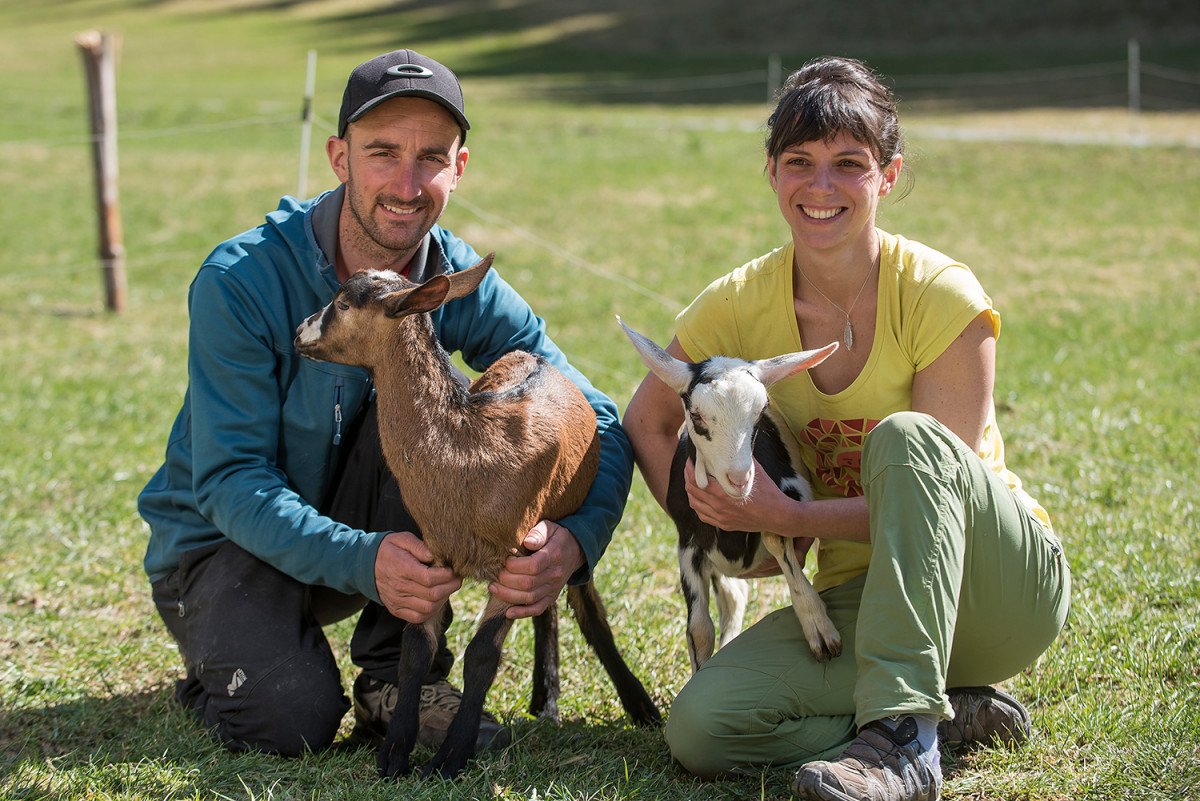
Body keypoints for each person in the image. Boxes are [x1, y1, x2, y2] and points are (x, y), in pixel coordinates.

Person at [138, 49, 633, 758]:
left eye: (430, 157)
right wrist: (365, 560)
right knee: (291, 722)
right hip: (225, 546)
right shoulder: (241, 281)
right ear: (339, 157)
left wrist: (576, 540)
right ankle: (222, 664)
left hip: (368, 546)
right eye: (381, 153)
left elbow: (596, 413)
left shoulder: (448, 275)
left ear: (459, 169)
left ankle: (392, 675)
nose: (406, 183)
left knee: (441, 414)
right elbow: (228, 479)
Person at [622, 57, 1070, 801]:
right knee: (700, 728)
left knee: (908, 440)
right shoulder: (735, 302)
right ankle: (950, 712)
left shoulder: (941, 293)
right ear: (771, 172)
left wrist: (790, 516)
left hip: (995, 590)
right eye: (799, 162)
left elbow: (939, 485)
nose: (820, 186)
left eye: (849, 165)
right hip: (859, 594)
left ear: (887, 177)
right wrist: (721, 524)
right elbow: (648, 418)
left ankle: (901, 744)